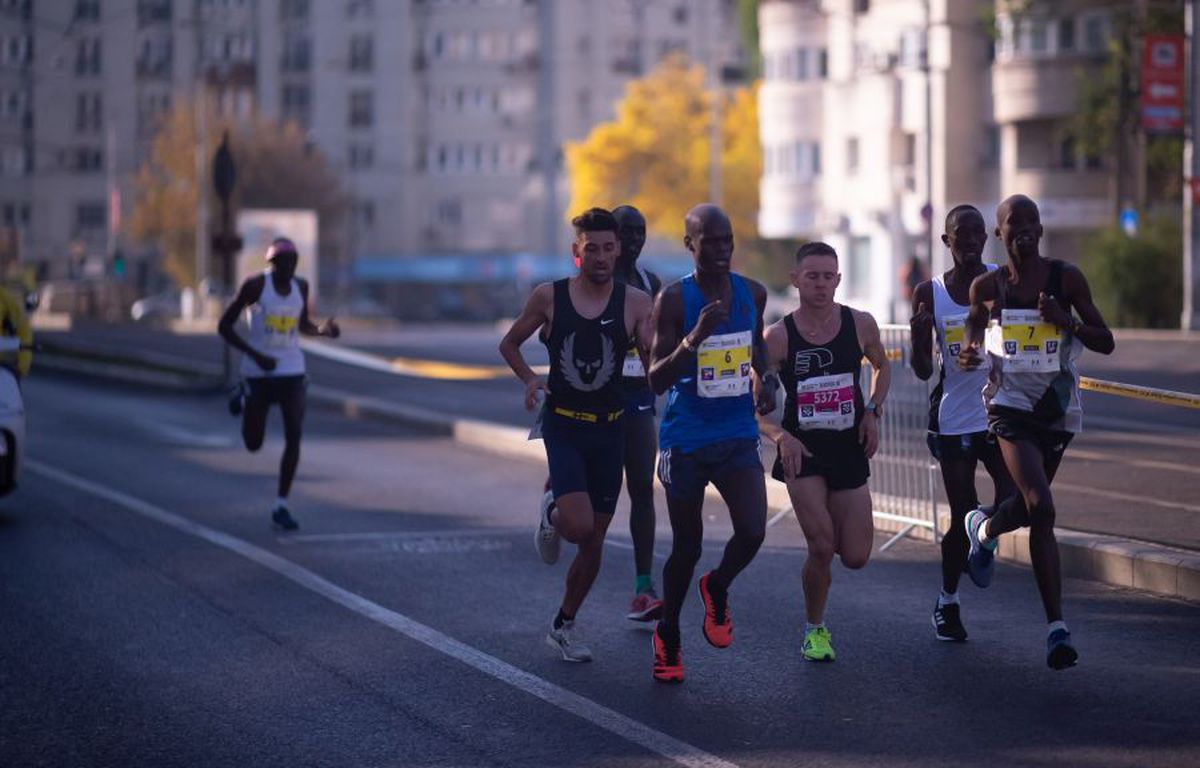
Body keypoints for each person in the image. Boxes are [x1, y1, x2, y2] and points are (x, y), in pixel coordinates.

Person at [959, 194, 1114, 670]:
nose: (1024, 229)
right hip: (1008, 407)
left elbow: (1105, 340)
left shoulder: (1065, 278)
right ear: (999, 234)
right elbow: (972, 332)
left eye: (1032, 222)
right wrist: (968, 351)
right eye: (1013, 223)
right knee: (1042, 506)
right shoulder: (987, 287)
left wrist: (1066, 321)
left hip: (1057, 409)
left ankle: (983, 528)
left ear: (1041, 231)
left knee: (1028, 509)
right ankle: (1057, 630)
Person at [499, 208, 654, 663]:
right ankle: (553, 509)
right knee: (580, 525)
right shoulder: (549, 297)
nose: (602, 257)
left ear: (618, 250)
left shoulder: (636, 303)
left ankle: (564, 624)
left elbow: (653, 364)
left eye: (609, 248)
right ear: (576, 253)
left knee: (592, 541)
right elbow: (509, 343)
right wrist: (530, 378)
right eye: (592, 249)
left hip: (613, 428)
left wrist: (669, 364)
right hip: (563, 425)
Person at [647, 203, 778, 683]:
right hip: (686, 439)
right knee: (687, 545)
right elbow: (656, 380)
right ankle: (668, 633)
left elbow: (757, 346)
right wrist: (693, 339)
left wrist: (767, 376)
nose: (722, 250)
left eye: (727, 241)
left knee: (753, 530)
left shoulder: (752, 294)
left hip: (736, 433)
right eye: (711, 242)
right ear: (690, 245)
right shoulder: (675, 301)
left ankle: (717, 586)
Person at [758, 242, 890, 662]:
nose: (820, 284)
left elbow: (882, 367)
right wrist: (780, 437)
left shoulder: (860, 324)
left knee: (854, 555)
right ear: (796, 280)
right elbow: (748, 404)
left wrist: (872, 411)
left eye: (827, 276)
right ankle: (815, 630)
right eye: (811, 276)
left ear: (838, 279)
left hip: (848, 446)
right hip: (803, 451)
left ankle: (825, 556)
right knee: (821, 546)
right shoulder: (778, 337)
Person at [535, 204, 664, 624]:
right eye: (627, 233)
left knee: (642, 485)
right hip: (584, 401)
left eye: (641, 233)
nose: (634, 241)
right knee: (583, 518)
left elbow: (656, 345)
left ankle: (644, 587)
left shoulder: (649, 285)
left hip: (635, 399)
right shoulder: (584, 284)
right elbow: (550, 331)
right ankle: (556, 503)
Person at [910, 205, 1017, 642]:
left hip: (999, 409)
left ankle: (985, 534)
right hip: (953, 415)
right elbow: (920, 370)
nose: (971, 241)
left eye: (978, 234)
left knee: (1017, 498)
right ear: (946, 242)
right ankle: (947, 602)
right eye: (961, 235)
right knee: (960, 511)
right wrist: (919, 337)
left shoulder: (1001, 279)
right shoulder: (928, 292)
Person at [218, 237, 340, 531]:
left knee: (294, 434)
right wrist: (256, 356)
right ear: (271, 264)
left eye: (293, 261)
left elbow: (302, 325)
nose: (289, 267)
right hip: (258, 373)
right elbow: (224, 326)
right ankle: (244, 397)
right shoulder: (256, 286)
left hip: (292, 370)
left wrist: (322, 330)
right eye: (283, 262)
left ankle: (281, 504)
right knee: (253, 443)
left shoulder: (301, 287)